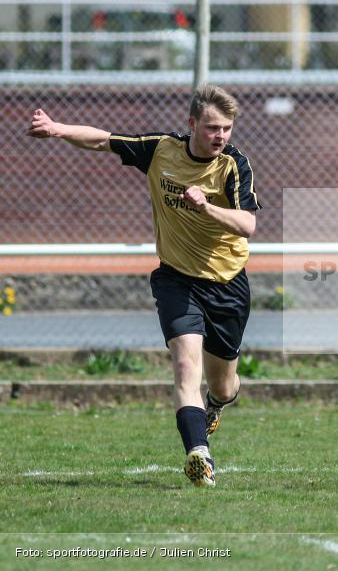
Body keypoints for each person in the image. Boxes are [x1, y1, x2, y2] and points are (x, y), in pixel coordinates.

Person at [27, 84, 260, 488]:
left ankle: (217, 404)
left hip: (227, 285)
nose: (220, 136)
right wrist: (58, 128)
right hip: (176, 279)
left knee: (223, 383)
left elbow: (249, 225)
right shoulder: (161, 149)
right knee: (186, 366)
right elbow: (104, 140)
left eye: (226, 128)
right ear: (191, 125)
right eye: (211, 128)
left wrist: (205, 206)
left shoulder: (233, 166)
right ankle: (198, 456)